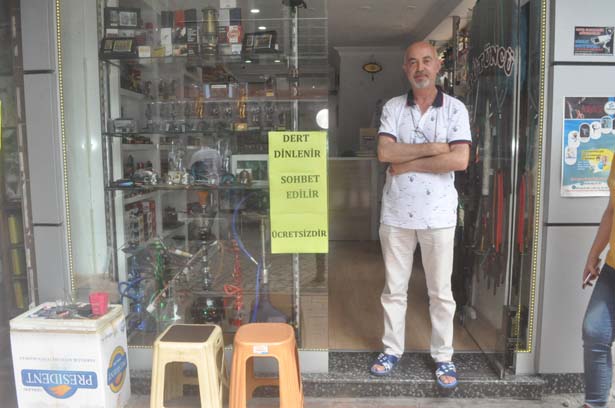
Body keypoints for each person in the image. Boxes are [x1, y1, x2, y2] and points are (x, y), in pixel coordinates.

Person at [369, 41, 471, 390]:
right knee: (393, 289)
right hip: (396, 214)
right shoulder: (393, 108)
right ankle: (391, 350)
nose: (420, 68)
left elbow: (459, 159)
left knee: (440, 292)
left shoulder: (455, 109)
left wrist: (409, 162)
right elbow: (385, 153)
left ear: (438, 65)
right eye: (412, 62)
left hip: (439, 216)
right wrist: (433, 149)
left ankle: (443, 356)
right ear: (405, 69)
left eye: (426, 61)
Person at [581, 158, 615, 408]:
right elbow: (612, 210)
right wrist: (594, 254)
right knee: (595, 330)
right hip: (613, 266)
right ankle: (594, 403)